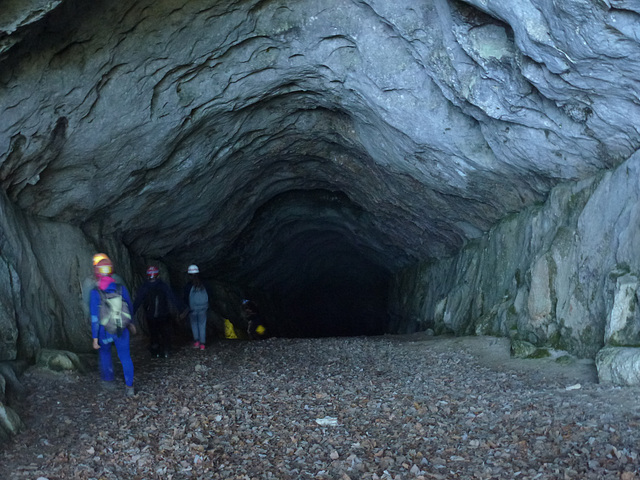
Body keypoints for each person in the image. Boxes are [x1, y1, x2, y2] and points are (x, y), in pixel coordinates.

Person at [89, 255, 137, 397]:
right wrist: (131, 323)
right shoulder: (121, 288)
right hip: (122, 329)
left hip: (105, 331)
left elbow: (94, 317)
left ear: (97, 272)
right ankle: (129, 387)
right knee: (125, 356)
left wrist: (95, 338)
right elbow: (129, 307)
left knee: (105, 353)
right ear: (110, 271)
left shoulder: (95, 292)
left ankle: (108, 381)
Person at [133, 266, 182, 358]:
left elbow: (138, 301)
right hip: (163, 314)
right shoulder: (162, 285)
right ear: (158, 275)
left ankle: (156, 352)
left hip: (150, 316)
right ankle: (166, 351)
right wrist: (182, 309)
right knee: (165, 333)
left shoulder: (145, 287)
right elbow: (172, 297)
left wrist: (130, 314)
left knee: (154, 334)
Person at [182, 264, 210, 350]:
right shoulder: (204, 283)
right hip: (203, 308)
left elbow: (185, 297)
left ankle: (197, 342)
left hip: (192, 308)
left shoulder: (188, 285)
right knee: (202, 325)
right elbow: (210, 294)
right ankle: (202, 344)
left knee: (194, 325)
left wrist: (186, 307)